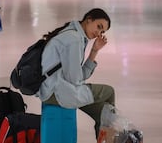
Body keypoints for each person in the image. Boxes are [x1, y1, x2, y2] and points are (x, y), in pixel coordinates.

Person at [38, 8, 114, 140]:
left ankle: (105, 137)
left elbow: (76, 77)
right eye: (98, 26)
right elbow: (76, 79)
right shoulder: (74, 40)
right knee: (109, 92)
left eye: (102, 31)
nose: (98, 33)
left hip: (56, 90)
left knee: (102, 111)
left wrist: (94, 51)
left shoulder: (74, 34)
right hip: (57, 93)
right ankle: (108, 138)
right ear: (89, 19)